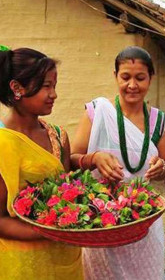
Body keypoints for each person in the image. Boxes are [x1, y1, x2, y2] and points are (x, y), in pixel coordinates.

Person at [71, 46, 165, 280]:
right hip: (100, 221)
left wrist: (161, 168)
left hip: (143, 221)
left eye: (140, 78)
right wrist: (94, 158)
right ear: (115, 75)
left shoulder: (160, 122)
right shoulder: (97, 113)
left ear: (151, 78)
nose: (132, 85)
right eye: (125, 77)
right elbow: (72, 159)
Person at [0, 47, 83, 279]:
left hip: (64, 259)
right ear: (17, 88)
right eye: (46, 86)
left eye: (54, 86)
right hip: (24, 264)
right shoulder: (3, 143)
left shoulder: (57, 135)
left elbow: (67, 193)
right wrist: (50, 231)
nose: (54, 94)